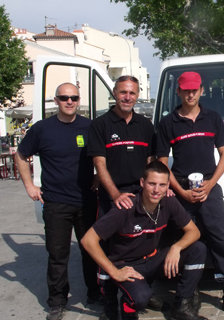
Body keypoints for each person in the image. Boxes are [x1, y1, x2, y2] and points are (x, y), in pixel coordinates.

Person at [156, 72, 224, 317]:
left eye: (194, 90)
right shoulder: (168, 123)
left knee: (221, 240)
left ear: (201, 91)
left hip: (209, 189)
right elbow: (161, 164)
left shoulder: (212, 119)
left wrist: (210, 185)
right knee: (189, 242)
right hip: (180, 192)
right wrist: (180, 191)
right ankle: (190, 294)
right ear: (178, 92)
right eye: (185, 90)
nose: (190, 94)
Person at [15, 82, 100, 320]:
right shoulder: (42, 129)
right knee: (58, 255)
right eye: (64, 98)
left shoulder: (89, 127)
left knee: (91, 251)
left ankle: (95, 293)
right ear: (56, 101)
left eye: (73, 97)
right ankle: (57, 301)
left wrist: (99, 177)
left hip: (86, 200)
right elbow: (21, 155)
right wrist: (29, 185)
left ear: (79, 99)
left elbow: (102, 156)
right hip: (56, 203)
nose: (70, 101)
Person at [81, 161, 208, 320]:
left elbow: (194, 232)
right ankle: (128, 308)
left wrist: (176, 248)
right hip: (127, 265)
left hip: (152, 260)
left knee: (198, 249)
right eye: (152, 184)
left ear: (168, 185)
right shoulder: (126, 208)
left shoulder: (168, 201)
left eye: (162, 185)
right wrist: (114, 271)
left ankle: (181, 306)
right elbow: (88, 240)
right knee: (140, 297)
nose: (157, 190)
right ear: (142, 183)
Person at [87, 75, 157, 319]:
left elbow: (151, 162)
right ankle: (109, 299)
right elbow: (99, 163)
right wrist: (115, 194)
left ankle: (140, 291)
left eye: (133, 93)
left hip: (140, 196)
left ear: (138, 96)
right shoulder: (101, 125)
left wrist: (152, 191)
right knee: (108, 249)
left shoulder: (145, 125)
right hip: (112, 196)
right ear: (114, 94)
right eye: (123, 92)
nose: (128, 97)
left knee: (142, 244)